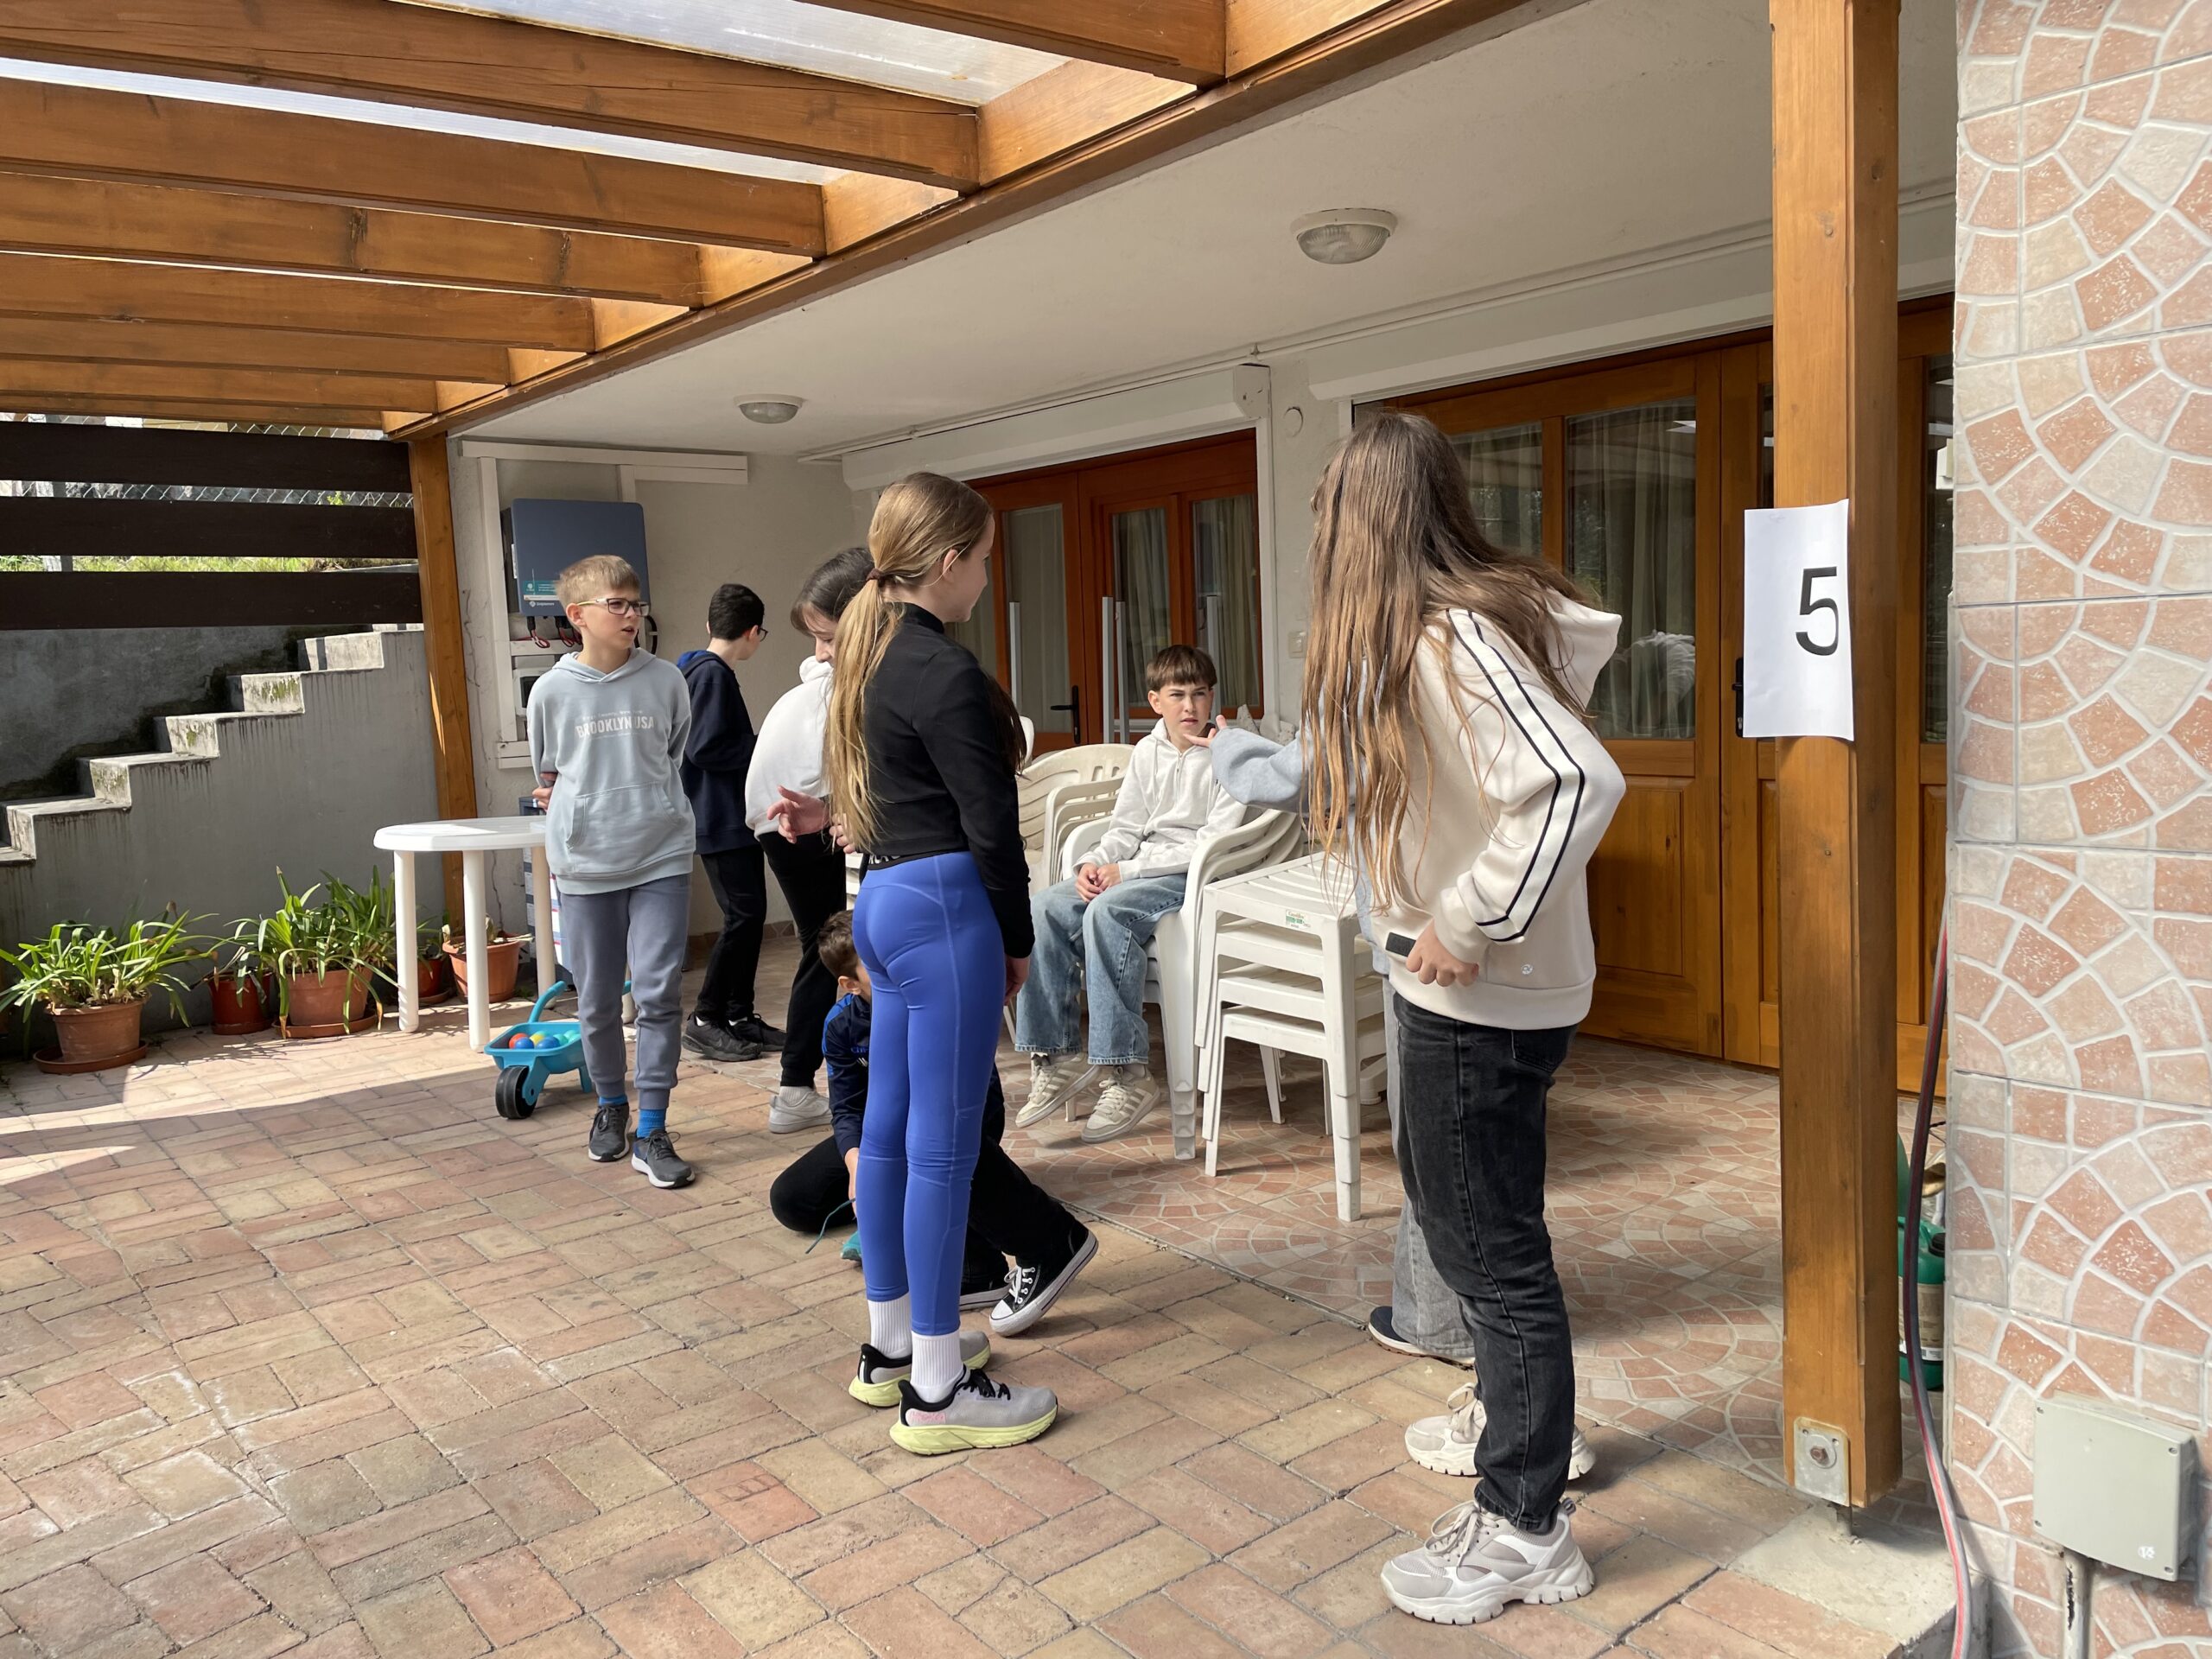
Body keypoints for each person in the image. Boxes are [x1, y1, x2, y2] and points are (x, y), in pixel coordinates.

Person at [1294, 410, 1624, 1624]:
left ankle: (1526, 1526)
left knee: (1488, 1251)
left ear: (1361, 517)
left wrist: (1467, 919)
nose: (1319, 524)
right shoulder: (1454, 634)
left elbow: (1575, 781)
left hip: (1475, 996)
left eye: (1329, 504)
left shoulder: (1451, 638)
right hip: (1473, 991)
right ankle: (1519, 1430)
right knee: (1483, 1236)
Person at [772, 473, 1056, 1456]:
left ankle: (892, 1346)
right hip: (942, 909)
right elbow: (993, 831)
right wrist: (1016, 941)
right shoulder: (939, 667)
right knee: (941, 1150)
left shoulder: (863, 655)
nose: (985, 578)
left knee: (892, 1135)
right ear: (947, 561)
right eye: (983, 561)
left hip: (886, 904)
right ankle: (939, 1389)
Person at [766, 912, 1097, 1337]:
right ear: (849, 985)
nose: (892, 974)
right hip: (883, 1133)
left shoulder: (930, 996)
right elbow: (846, 1109)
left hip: (958, 1120)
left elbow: (973, 1089)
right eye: (876, 970)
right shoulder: (841, 1025)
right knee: (792, 1199)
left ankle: (1044, 1243)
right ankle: (962, 1260)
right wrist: (857, 1166)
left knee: (929, 1148)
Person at [1015, 643, 1247, 1142]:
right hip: (1138, 867)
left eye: (1200, 694)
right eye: (1177, 695)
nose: (1190, 706)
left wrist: (1128, 871)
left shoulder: (1228, 755)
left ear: (1212, 697)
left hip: (1192, 875)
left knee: (1107, 913)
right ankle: (1054, 1056)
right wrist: (1092, 863)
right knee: (1046, 906)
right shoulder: (1147, 751)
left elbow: (1211, 844)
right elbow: (1125, 827)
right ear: (1155, 701)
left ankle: (1127, 1073)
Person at [527, 555, 699, 1191]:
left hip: (661, 854)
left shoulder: (667, 680)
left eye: (636, 604)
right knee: (597, 999)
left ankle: (652, 1127)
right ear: (577, 615)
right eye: (616, 604)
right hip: (585, 863)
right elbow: (549, 773)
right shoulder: (549, 693)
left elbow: (673, 753)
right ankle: (610, 1105)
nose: (632, 615)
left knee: (657, 994)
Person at [743, 550, 872, 1135]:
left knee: (825, 946)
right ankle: (796, 1086)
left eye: (826, 638)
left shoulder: (823, 685)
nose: (819, 652)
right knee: (829, 948)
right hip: (795, 818)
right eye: (818, 640)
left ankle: (803, 1083)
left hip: (783, 816)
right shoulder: (842, 687)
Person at [677, 582, 784, 1065]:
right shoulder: (712, 675)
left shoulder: (698, 671)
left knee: (749, 915)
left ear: (710, 624)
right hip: (718, 816)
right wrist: (763, 745)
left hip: (724, 817)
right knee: (743, 916)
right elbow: (705, 747)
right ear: (753, 632)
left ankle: (739, 1016)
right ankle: (705, 1018)